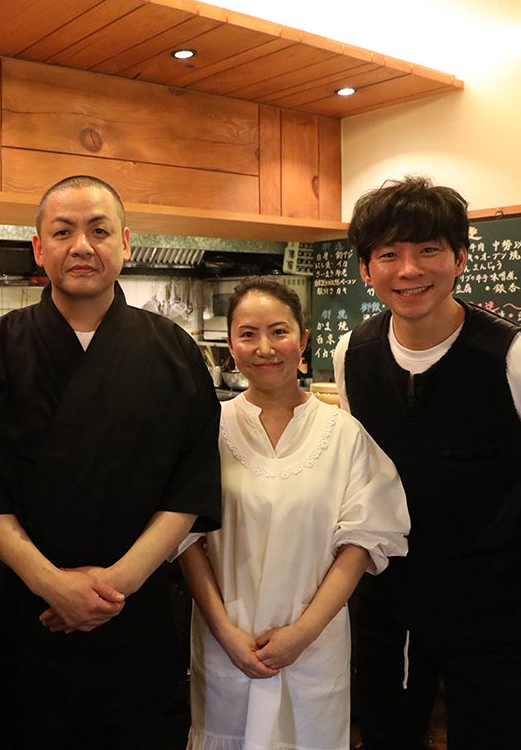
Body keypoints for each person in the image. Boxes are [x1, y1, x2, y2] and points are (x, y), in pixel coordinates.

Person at [0, 175, 223, 749]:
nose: (82, 246)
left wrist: (117, 584)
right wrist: (53, 586)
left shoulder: (175, 353)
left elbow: (190, 488)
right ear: (39, 249)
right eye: (62, 232)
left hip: (136, 615)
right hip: (28, 619)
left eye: (99, 230)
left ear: (126, 243)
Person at [332, 175, 521, 750]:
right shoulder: (354, 352)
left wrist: (494, 531)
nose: (408, 270)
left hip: (499, 606)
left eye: (428, 250)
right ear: (367, 268)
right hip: (391, 602)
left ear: (459, 259)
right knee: (388, 735)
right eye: (388, 254)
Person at [177, 277, 409, 750]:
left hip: (314, 647)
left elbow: (363, 543)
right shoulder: (207, 432)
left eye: (279, 332)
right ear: (231, 347)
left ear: (303, 341)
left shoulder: (343, 434)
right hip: (228, 643)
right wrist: (224, 631)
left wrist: (303, 633)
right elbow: (186, 539)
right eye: (248, 334)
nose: (265, 348)